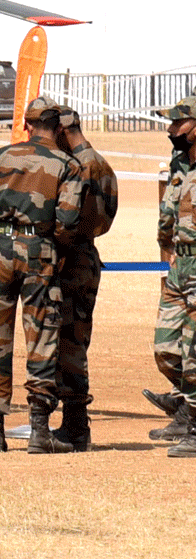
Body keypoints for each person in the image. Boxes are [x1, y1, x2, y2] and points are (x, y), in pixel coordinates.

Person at [0, 96, 82, 453]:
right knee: (41, 336)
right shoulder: (66, 164)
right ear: (58, 126)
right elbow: (67, 220)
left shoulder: (3, 156)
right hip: (40, 253)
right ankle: (38, 429)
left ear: (28, 123)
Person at [49, 104, 117, 451]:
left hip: (70, 260)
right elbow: (108, 216)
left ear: (61, 131)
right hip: (88, 255)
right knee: (75, 339)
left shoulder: (77, 166)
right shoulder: (102, 163)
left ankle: (75, 428)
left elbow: (66, 219)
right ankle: (73, 425)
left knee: (68, 344)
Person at [149, 96, 196, 455]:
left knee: (194, 352)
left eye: (178, 123)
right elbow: (168, 216)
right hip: (179, 265)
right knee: (167, 349)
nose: (171, 130)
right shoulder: (180, 162)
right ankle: (184, 408)